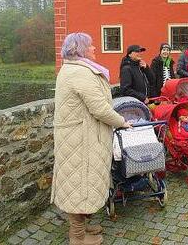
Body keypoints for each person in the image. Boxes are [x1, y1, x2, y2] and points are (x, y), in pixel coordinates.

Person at [51, 33, 131, 245]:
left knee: (80, 184)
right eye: (91, 45)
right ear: (81, 50)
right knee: (80, 186)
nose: (95, 48)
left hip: (79, 137)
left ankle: (83, 228)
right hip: (81, 141)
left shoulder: (73, 69)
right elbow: (100, 108)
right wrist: (122, 121)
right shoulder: (80, 73)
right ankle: (77, 237)